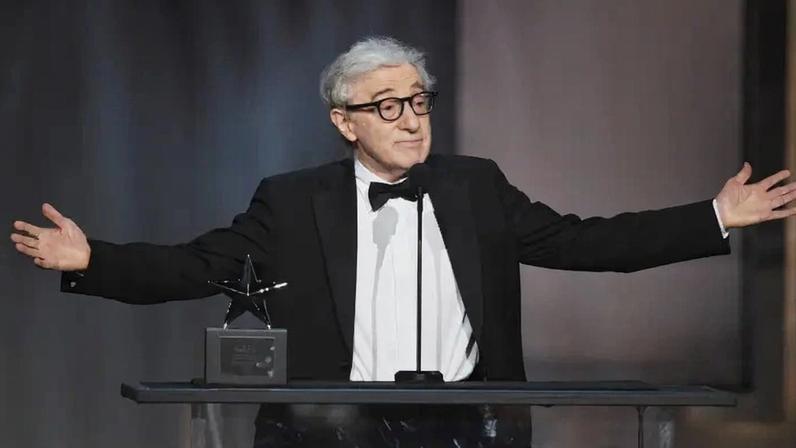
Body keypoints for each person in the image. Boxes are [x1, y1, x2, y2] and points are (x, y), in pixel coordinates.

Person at [10, 36, 796, 447]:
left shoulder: (474, 185)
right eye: (386, 106)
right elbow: (196, 265)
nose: (411, 119)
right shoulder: (292, 202)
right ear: (343, 121)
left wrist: (714, 216)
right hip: (330, 435)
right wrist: (94, 260)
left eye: (418, 101)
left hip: (466, 432)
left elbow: (585, 243)